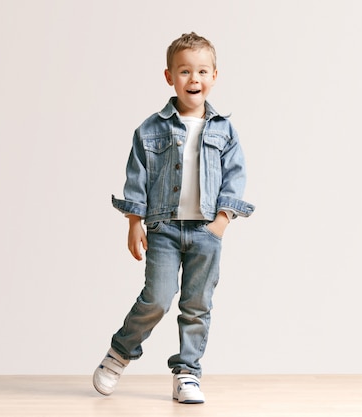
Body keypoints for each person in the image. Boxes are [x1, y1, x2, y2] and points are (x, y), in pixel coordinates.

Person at [93, 32, 254, 404]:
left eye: (201, 71)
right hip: (163, 229)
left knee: (197, 305)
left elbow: (236, 176)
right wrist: (135, 222)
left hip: (206, 232)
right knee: (158, 298)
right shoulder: (150, 129)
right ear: (169, 76)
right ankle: (120, 352)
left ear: (214, 76)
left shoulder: (225, 131)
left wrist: (221, 223)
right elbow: (137, 178)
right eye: (184, 71)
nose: (193, 79)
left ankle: (187, 373)